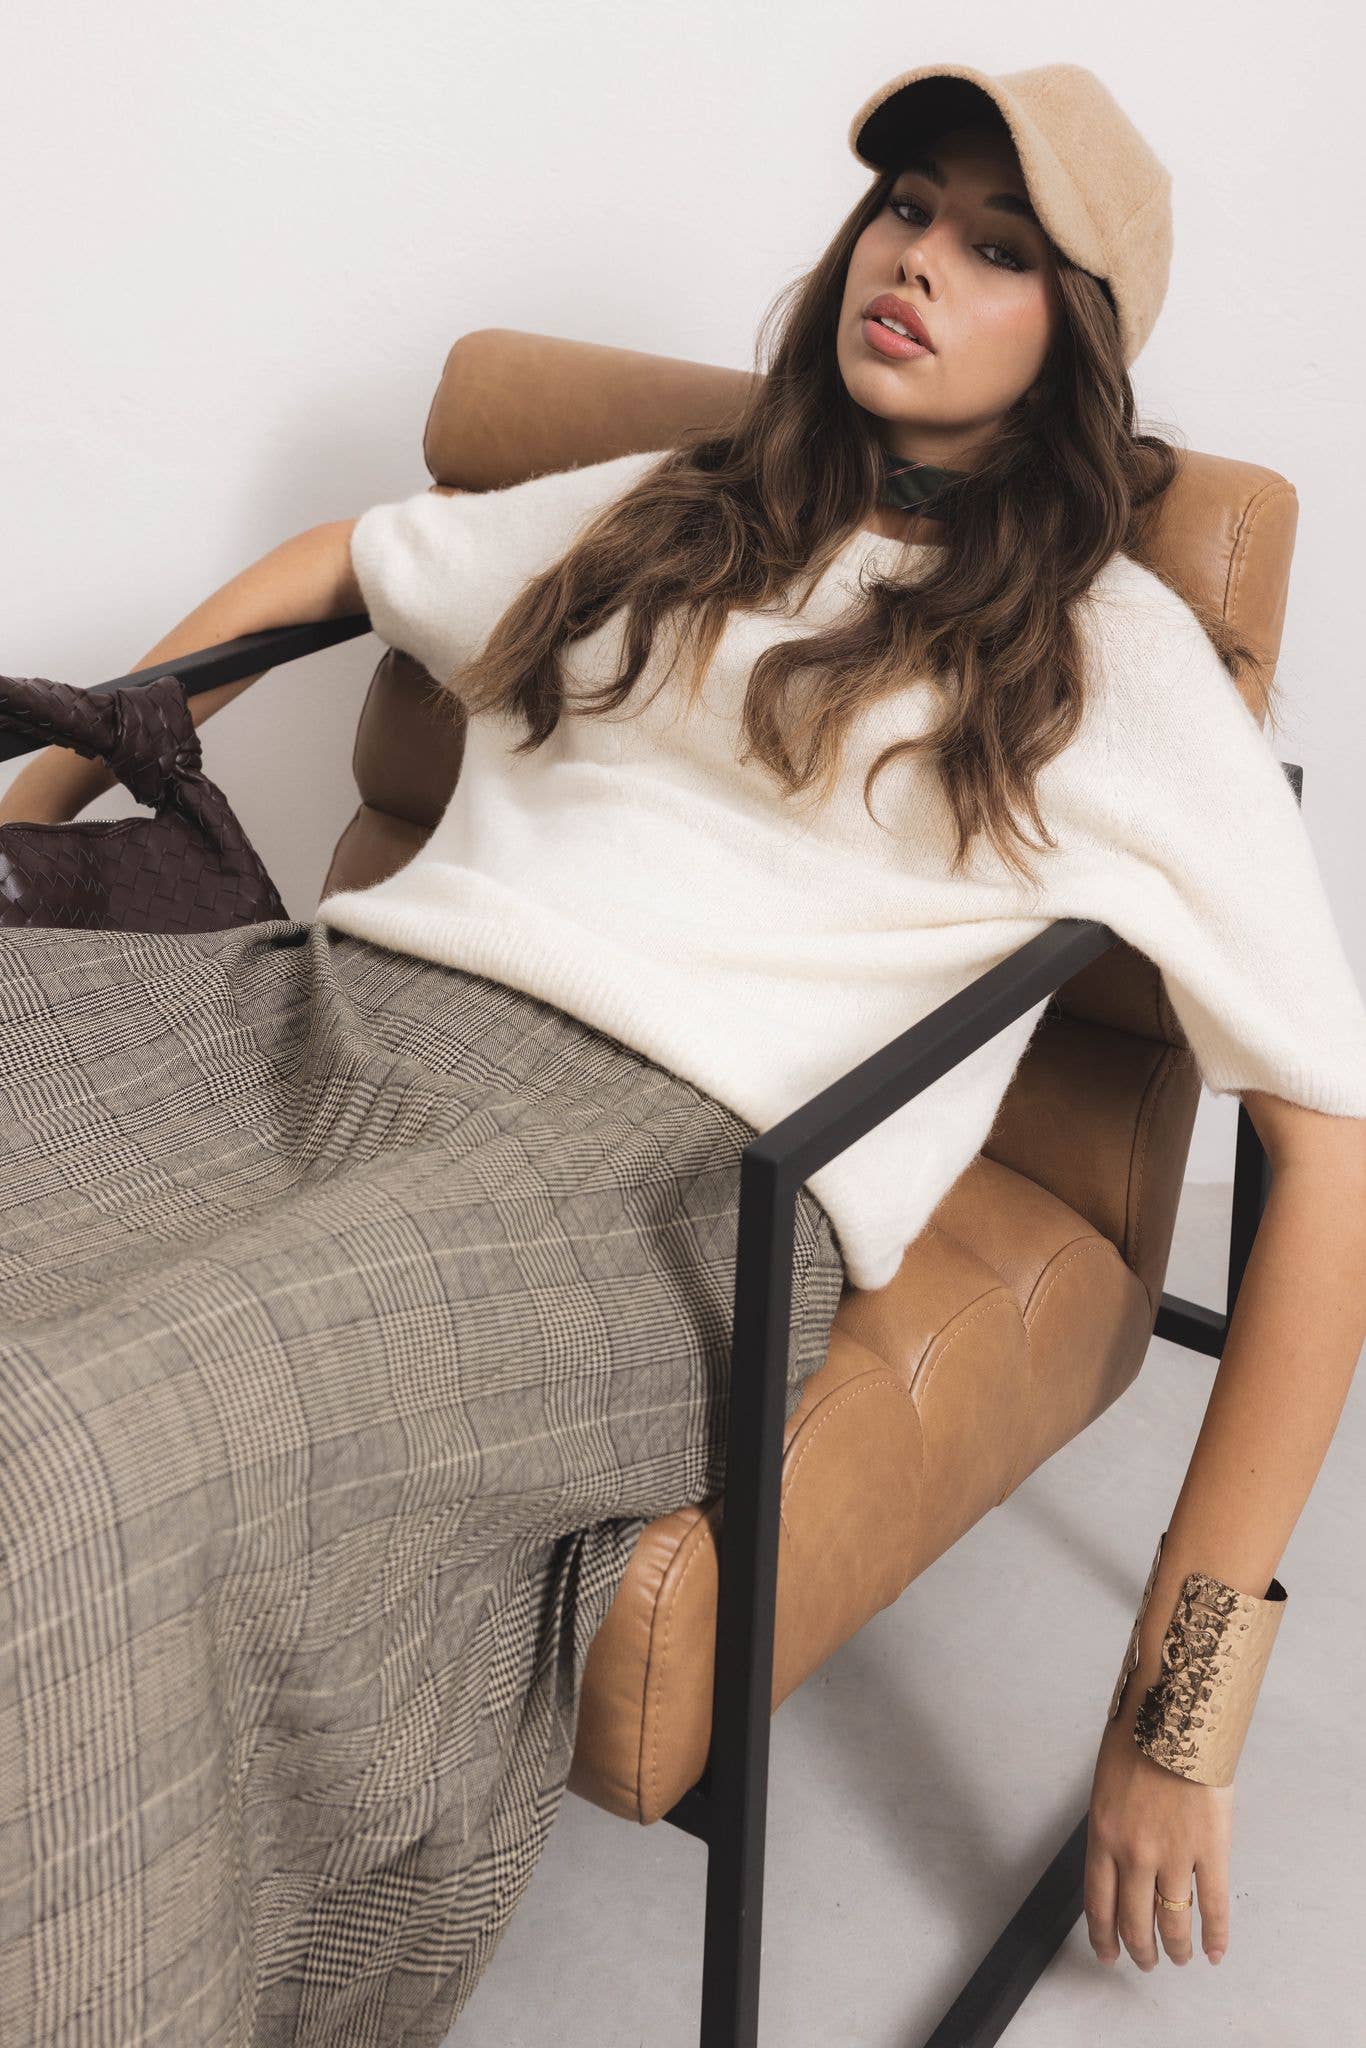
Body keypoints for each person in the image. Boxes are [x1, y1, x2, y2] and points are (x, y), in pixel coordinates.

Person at [1, 57, 1364, 2043]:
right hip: (337, 1012)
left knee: (65, 1439)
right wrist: (43, 796)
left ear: (1073, 341)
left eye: (998, 248)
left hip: (654, 1184)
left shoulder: (1112, 657)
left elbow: (1325, 1148)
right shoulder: (683, 510)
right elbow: (350, 557)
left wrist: (1184, 1708)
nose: (916, 259)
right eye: (905, 206)